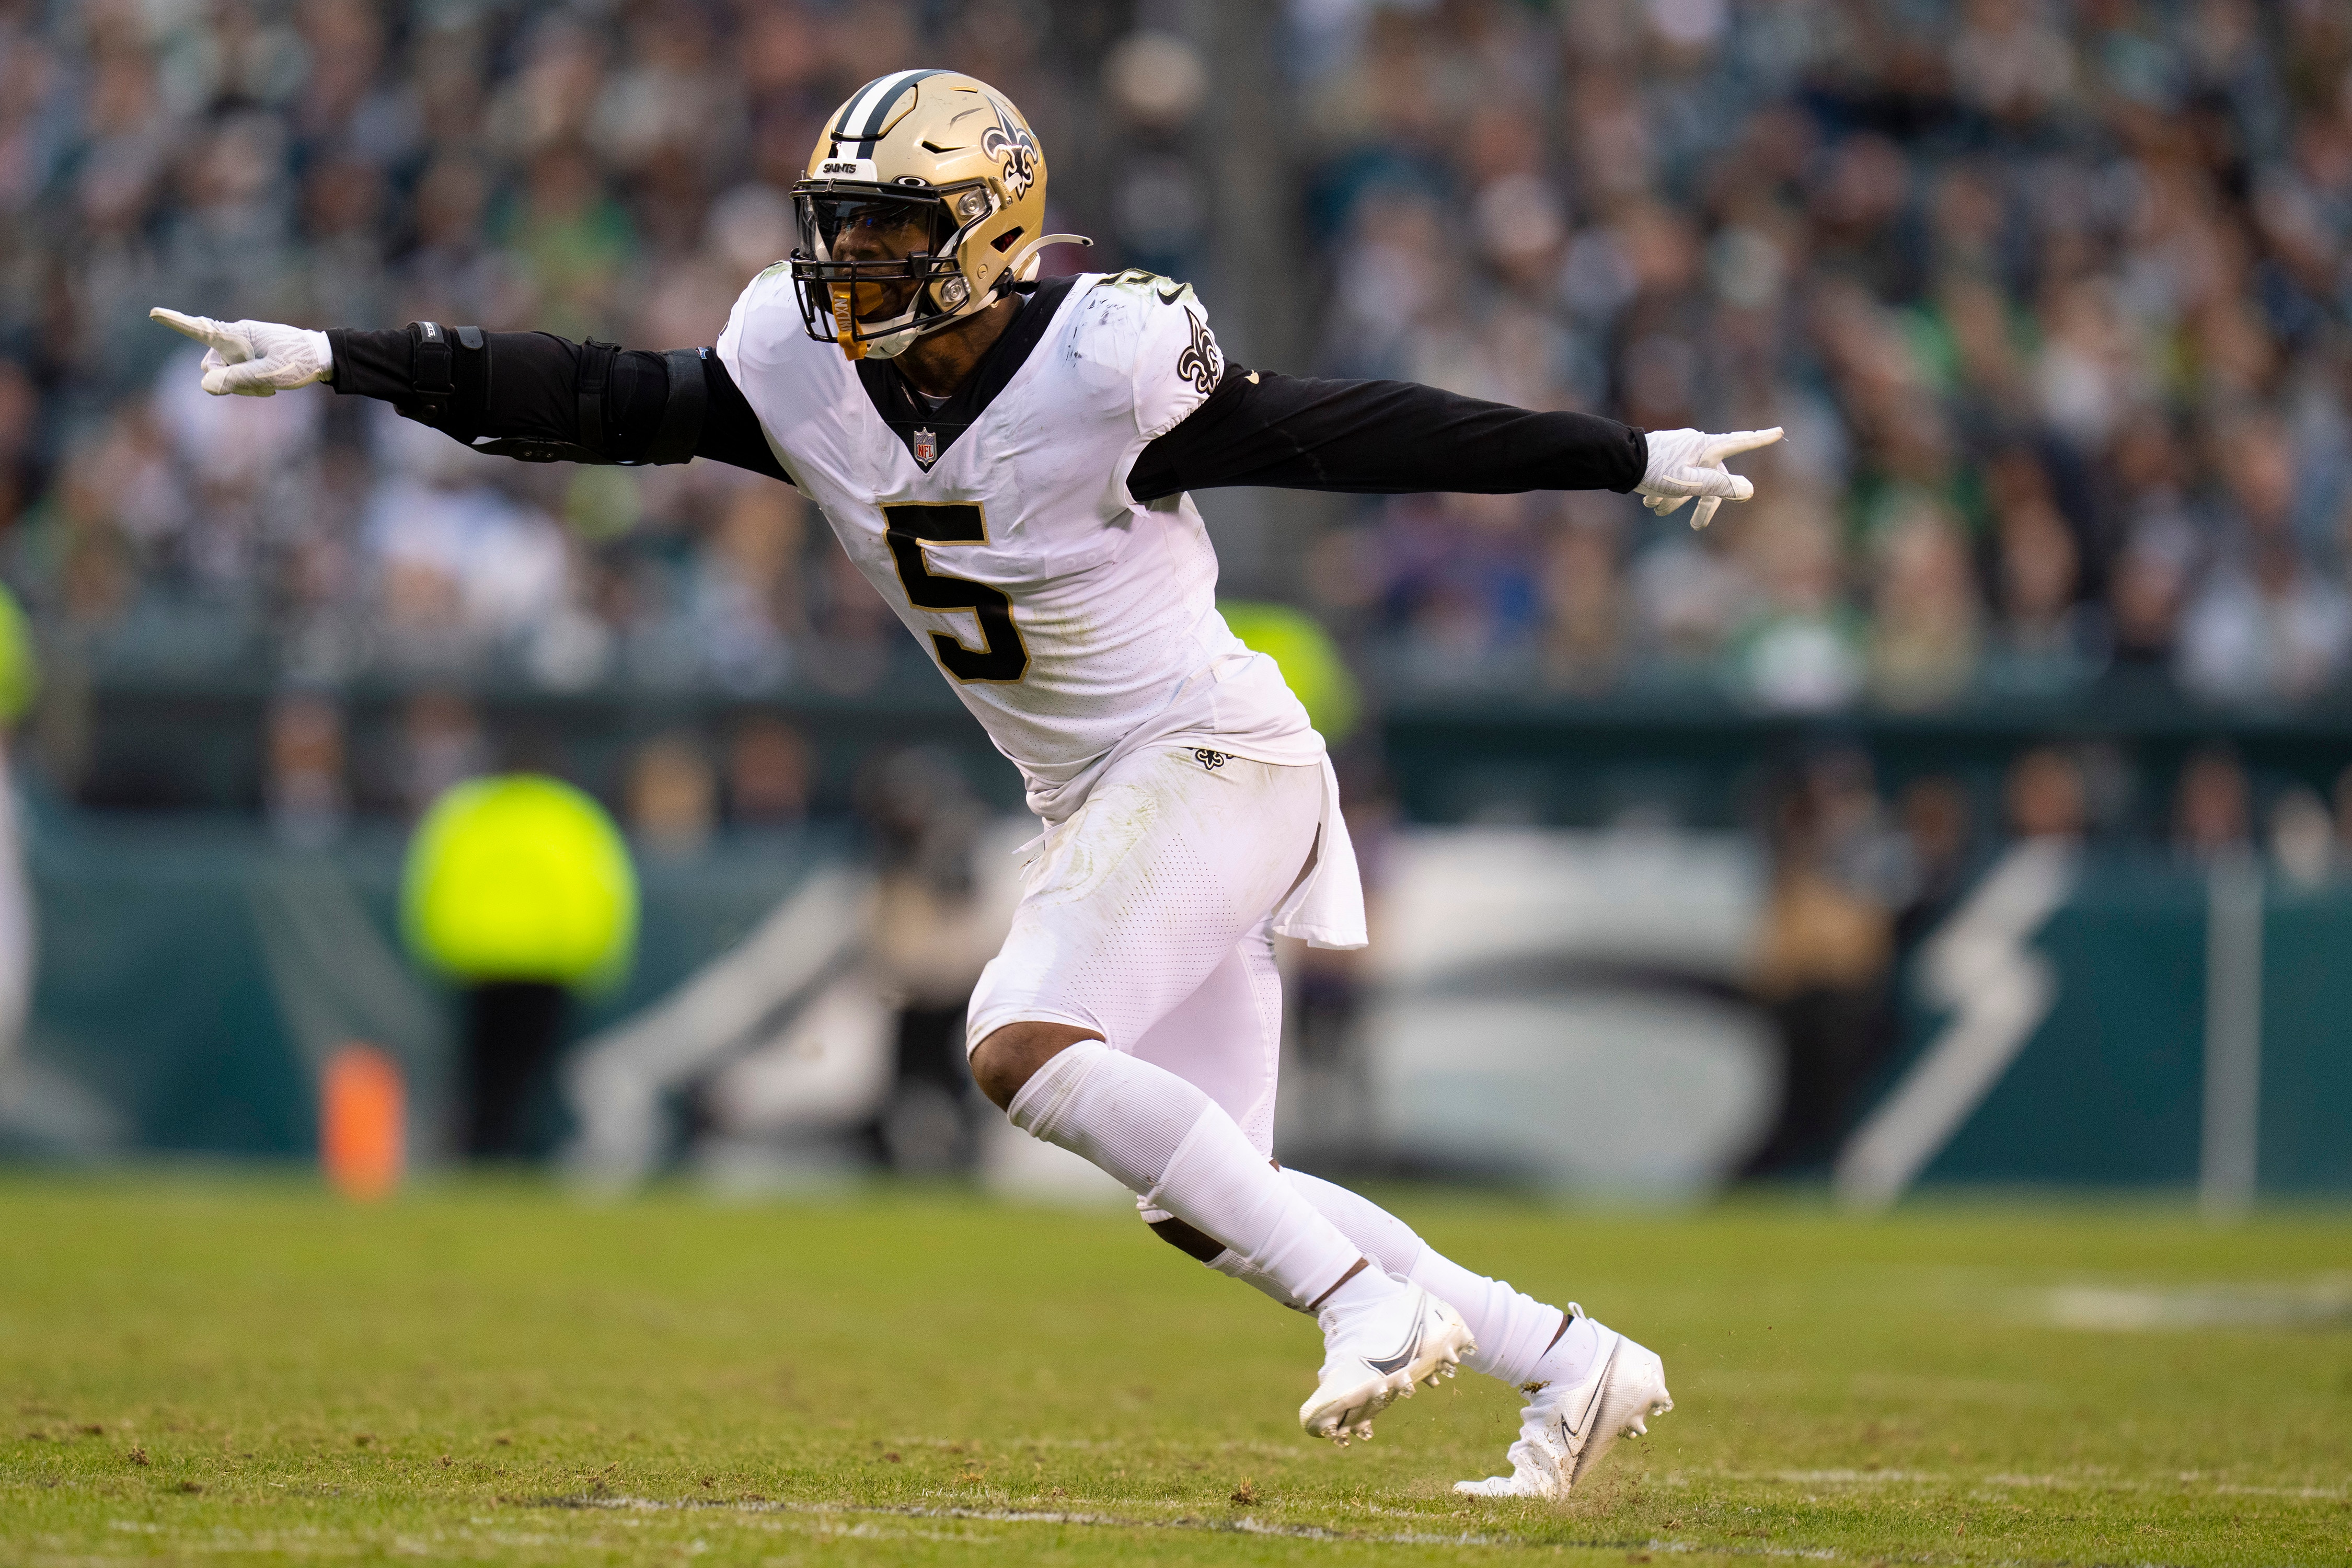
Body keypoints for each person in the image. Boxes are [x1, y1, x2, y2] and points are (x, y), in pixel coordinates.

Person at [150, 70, 1780, 1497]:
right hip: (1106, 794)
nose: (847, 265)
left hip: (1207, 756)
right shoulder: (798, 363)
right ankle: (1569, 1362)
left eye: (886, 231)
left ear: (991, 230)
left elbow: (1346, 433)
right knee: (1217, 1180)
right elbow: (598, 397)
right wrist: (347, 358)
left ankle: (1368, 1305)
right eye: (838, 227)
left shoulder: (1109, 360)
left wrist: (1616, 454)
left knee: (1017, 1045)